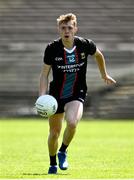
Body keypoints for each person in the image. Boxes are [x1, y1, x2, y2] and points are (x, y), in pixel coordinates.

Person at [39, 13, 116, 174]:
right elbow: (44, 74)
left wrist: (104, 74)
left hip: (77, 91)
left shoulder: (84, 44)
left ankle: (63, 151)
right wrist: (42, 96)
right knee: (54, 133)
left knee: (72, 123)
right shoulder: (52, 48)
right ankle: (52, 163)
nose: (66, 31)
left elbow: (98, 55)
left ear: (75, 29)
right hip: (56, 95)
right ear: (59, 30)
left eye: (69, 27)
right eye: (63, 28)